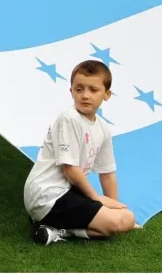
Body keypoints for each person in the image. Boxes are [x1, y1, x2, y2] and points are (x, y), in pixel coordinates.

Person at [24, 60, 138, 245]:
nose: (85, 95)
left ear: (107, 94)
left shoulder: (102, 128)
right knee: (122, 221)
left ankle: (54, 230)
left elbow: (107, 173)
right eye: (79, 89)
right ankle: (49, 221)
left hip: (68, 192)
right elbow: (70, 170)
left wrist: (115, 207)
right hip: (48, 195)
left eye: (93, 90)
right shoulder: (69, 118)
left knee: (120, 219)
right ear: (71, 91)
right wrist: (98, 200)